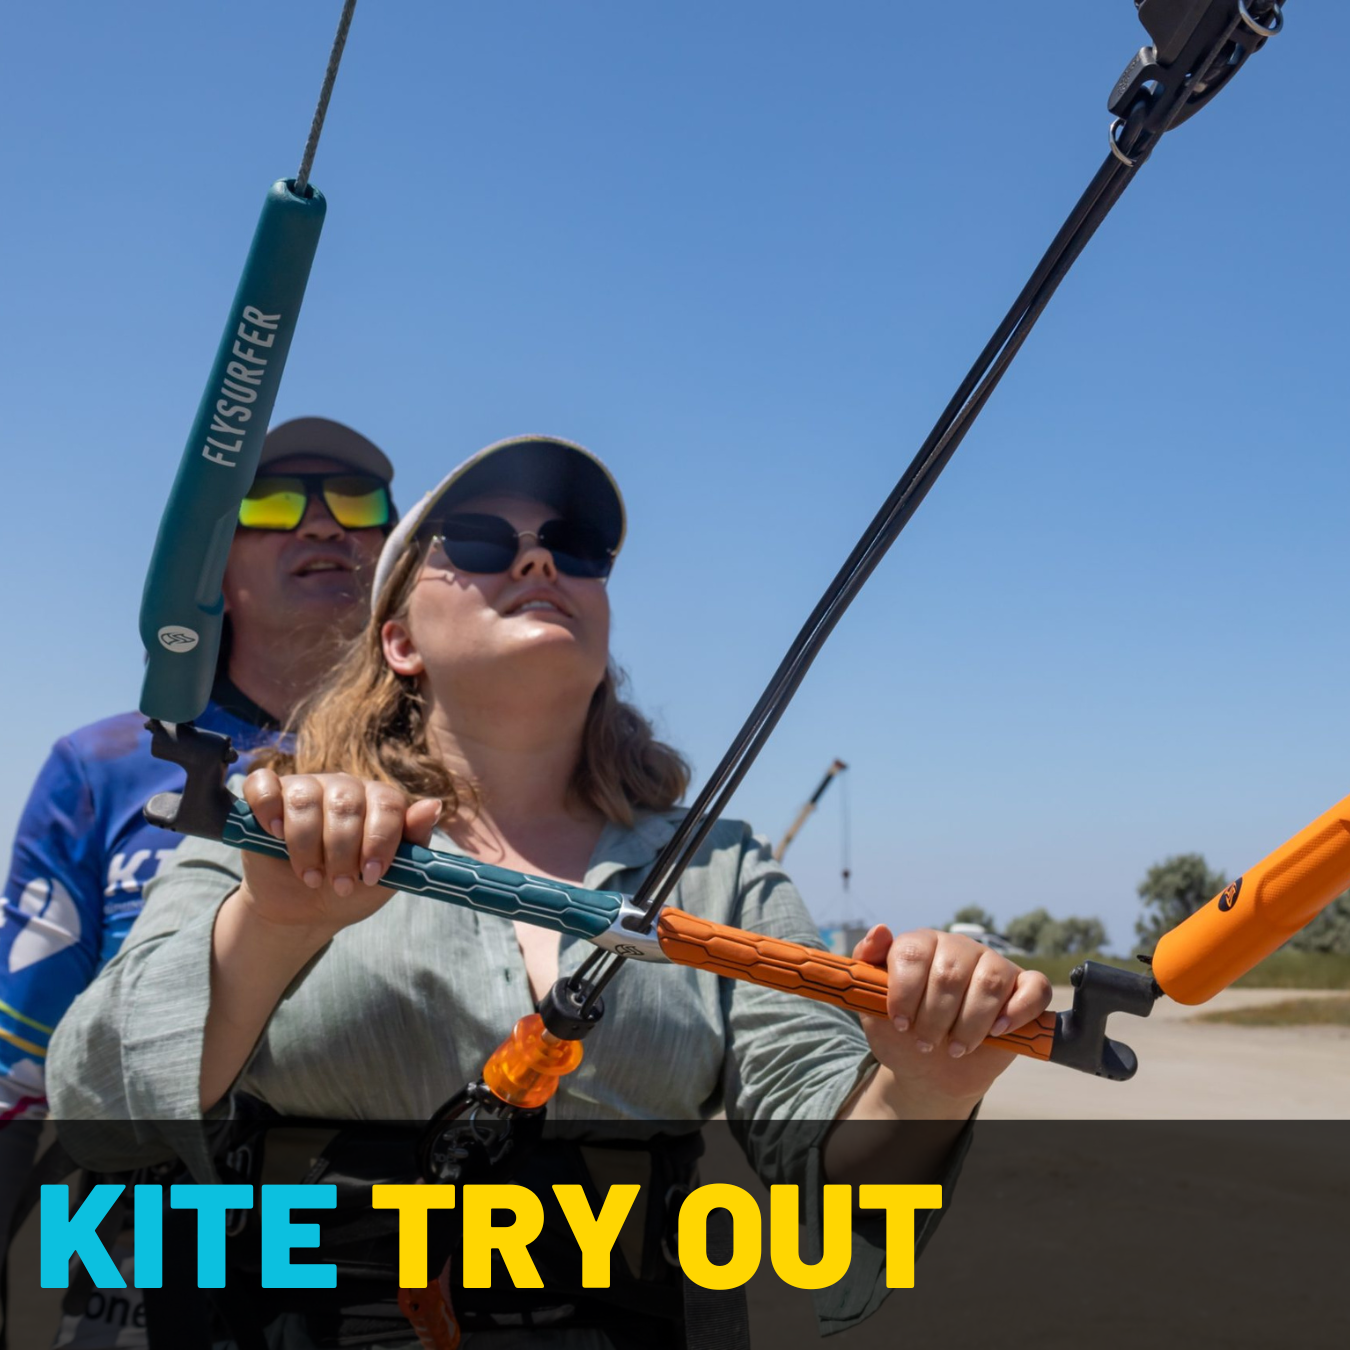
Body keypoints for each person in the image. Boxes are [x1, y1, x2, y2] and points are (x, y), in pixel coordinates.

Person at [48, 435, 1051, 1345]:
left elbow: (838, 1185)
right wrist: (273, 926)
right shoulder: (272, 825)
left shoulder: (723, 869)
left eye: (574, 548)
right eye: (480, 542)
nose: (538, 563)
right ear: (399, 639)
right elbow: (100, 1098)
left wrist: (928, 1084)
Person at [0, 417, 396, 1342]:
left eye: (356, 503)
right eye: (269, 503)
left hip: (384, 1275)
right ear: (211, 567)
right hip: (139, 1266)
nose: (323, 525)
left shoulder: (457, 773)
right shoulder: (100, 764)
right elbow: (19, 1078)